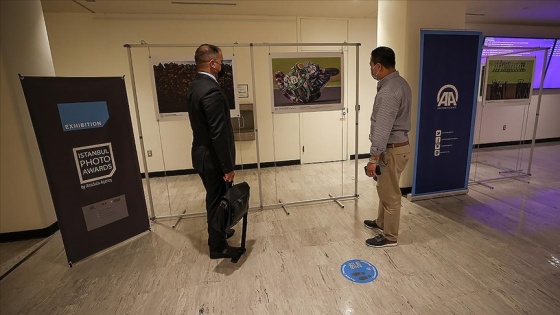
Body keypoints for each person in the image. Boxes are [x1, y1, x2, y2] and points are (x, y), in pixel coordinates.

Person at [186, 44, 242, 260]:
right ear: (212, 64)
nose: (222, 65)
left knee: (217, 199)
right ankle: (218, 246)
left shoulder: (195, 86)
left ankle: (222, 231)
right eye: (221, 61)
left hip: (201, 155)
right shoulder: (210, 90)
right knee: (217, 202)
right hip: (213, 160)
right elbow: (218, 133)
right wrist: (227, 167)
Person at [364, 46, 412, 248]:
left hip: (391, 149)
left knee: (390, 194)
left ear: (378, 66)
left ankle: (390, 236)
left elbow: (382, 129)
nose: (370, 69)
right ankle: (381, 222)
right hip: (397, 147)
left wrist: (373, 159)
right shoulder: (401, 83)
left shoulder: (388, 93)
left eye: (370, 66)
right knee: (385, 188)